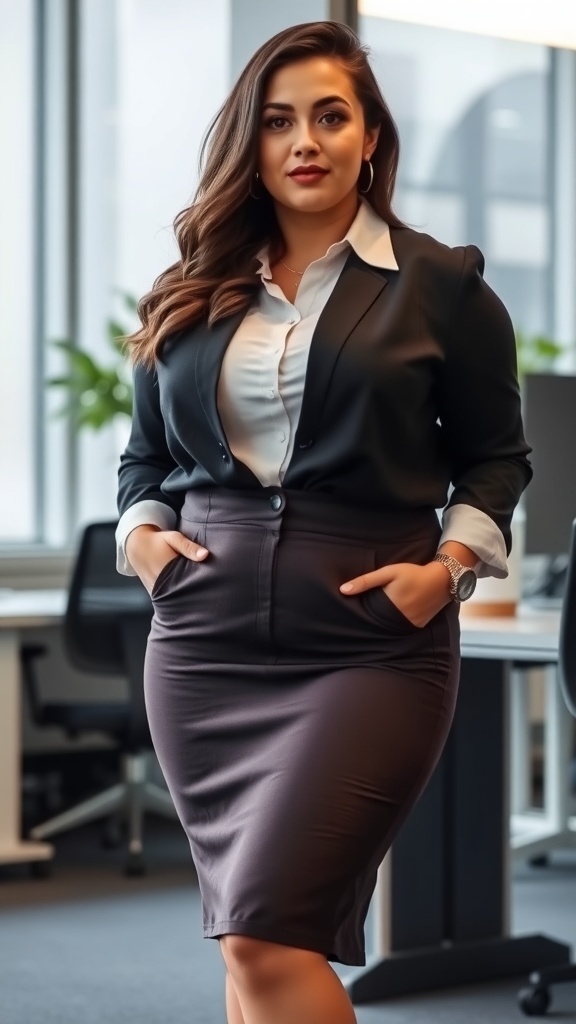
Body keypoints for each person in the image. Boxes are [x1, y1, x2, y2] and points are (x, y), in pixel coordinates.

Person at [116, 20, 532, 1024]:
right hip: (204, 641)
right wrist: (140, 538)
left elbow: (497, 457)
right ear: (250, 145)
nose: (305, 140)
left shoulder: (445, 286)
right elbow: (147, 460)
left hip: (368, 643)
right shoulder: (190, 291)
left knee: (267, 933)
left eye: (331, 117)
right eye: (278, 120)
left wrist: (449, 569)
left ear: (371, 139)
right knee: (247, 946)